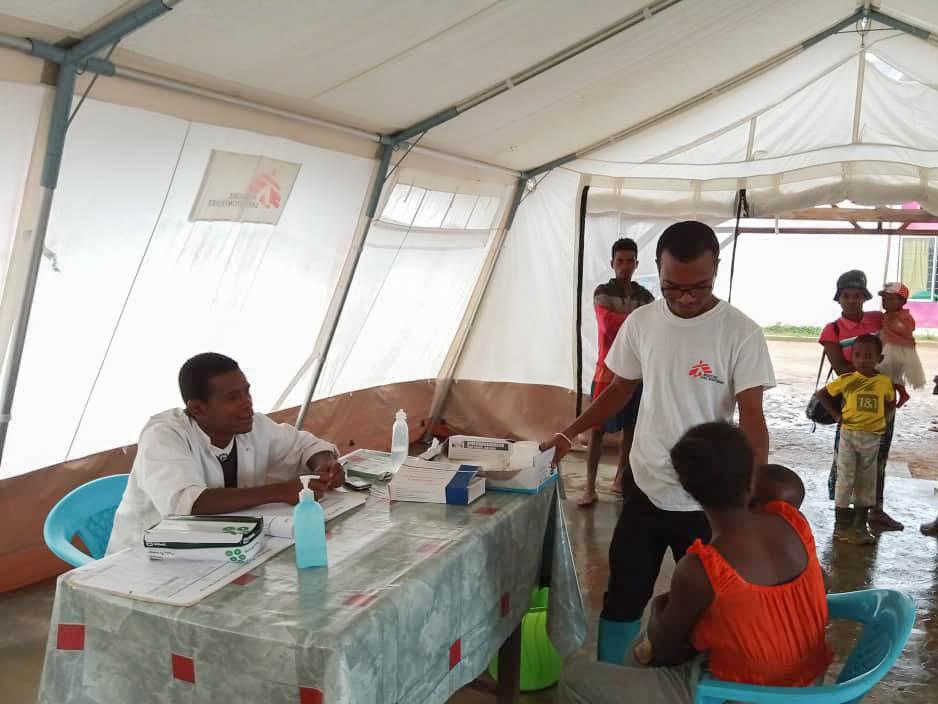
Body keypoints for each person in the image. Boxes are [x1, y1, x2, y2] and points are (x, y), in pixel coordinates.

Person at [541, 221, 775, 664]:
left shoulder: (741, 332)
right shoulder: (642, 323)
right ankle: (612, 677)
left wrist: (752, 493)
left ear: (717, 269)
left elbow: (753, 420)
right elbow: (618, 390)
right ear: (657, 271)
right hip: (644, 485)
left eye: (699, 288)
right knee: (624, 593)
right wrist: (568, 433)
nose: (686, 299)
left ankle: (696, 681)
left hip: (710, 499)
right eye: (672, 288)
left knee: (711, 603)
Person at [558, 423, 831, 704]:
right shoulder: (791, 521)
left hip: (739, 696)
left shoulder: (704, 568)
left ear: (688, 490)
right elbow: (820, 581)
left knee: (574, 678)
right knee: (640, 651)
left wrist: (660, 608)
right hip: (811, 684)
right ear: (752, 476)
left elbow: (665, 652)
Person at [107, 353, 344, 554]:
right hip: (147, 556)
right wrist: (281, 491)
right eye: (233, 397)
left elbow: (304, 446)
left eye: (247, 392)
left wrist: (326, 466)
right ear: (198, 408)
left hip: (221, 549)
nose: (247, 403)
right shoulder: (163, 435)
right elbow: (187, 504)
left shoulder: (251, 425)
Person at [819, 270, 903, 532]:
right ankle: (845, 514)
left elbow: (900, 329)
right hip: (852, 405)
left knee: (878, 458)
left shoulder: (878, 319)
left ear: (865, 298)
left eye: (857, 296)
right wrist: (874, 375)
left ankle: (874, 511)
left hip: (882, 401)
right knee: (847, 460)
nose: (852, 300)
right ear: (839, 298)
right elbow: (842, 368)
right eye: (846, 296)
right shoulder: (832, 330)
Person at [580, 237, 654, 507]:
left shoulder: (645, 295)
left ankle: (619, 480)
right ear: (612, 263)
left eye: (630, 261)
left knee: (631, 430)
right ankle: (589, 487)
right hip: (607, 371)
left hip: (636, 373)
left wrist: (632, 323)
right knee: (596, 429)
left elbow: (650, 329)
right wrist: (637, 322)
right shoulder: (602, 291)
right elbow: (608, 326)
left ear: (636, 264)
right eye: (620, 261)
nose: (625, 266)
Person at [814, 334, 895, 545]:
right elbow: (821, 394)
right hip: (849, 435)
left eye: (869, 356)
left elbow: (890, 402)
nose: (862, 360)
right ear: (852, 357)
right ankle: (841, 526)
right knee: (845, 478)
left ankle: (860, 525)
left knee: (867, 480)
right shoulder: (847, 380)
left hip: (872, 438)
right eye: (858, 355)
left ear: (880, 358)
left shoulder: (884, 382)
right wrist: (837, 416)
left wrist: (883, 420)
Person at [878, 281, 926, 407]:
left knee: (884, 371)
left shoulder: (904, 316)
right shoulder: (887, 315)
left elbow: (908, 329)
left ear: (902, 302)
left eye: (890, 299)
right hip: (888, 347)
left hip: (897, 349)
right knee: (893, 376)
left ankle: (896, 396)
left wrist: (894, 324)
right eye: (884, 298)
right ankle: (903, 394)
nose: (885, 301)